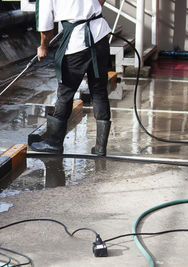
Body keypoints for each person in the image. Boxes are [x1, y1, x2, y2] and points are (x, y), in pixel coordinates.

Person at [30, 0, 112, 156]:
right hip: (100, 36)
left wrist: (43, 47)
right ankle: (101, 148)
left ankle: (53, 143)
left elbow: (46, 26)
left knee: (65, 92)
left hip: (77, 42)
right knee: (99, 91)